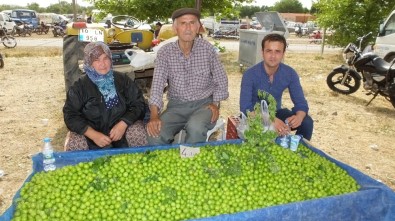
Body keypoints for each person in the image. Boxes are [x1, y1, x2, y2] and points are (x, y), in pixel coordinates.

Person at [146, 8, 229, 145]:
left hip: (204, 104)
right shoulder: (165, 52)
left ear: (198, 27)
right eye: (183, 23)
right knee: (155, 134)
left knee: (195, 128)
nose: (188, 28)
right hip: (177, 106)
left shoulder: (207, 49)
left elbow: (221, 79)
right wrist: (154, 115)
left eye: (192, 23)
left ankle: (191, 164)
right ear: (175, 28)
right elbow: (157, 86)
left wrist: (215, 103)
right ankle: (167, 165)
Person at [63, 42, 147, 150]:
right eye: (96, 60)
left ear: (110, 59)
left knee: (137, 133)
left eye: (105, 58)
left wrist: (124, 123)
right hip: (91, 134)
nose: (102, 64)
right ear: (89, 63)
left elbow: (138, 104)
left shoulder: (122, 80)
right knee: (74, 143)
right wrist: (93, 135)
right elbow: (70, 115)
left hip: (121, 131)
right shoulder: (80, 87)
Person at [239, 33, 314, 140]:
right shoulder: (250, 74)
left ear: (283, 53)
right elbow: (245, 108)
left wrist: (299, 117)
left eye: (277, 51)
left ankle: (298, 151)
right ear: (262, 52)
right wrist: (271, 120)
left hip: (276, 112)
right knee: (263, 132)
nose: (273, 56)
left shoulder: (290, 73)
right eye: (269, 51)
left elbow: (301, 102)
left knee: (307, 122)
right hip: (253, 115)